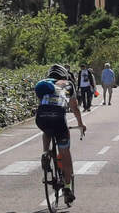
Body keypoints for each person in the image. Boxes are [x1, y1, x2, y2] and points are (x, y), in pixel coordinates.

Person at [34, 64, 86, 205]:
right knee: (65, 154)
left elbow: (43, 103)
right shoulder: (68, 84)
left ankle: (46, 153)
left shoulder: (44, 84)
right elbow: (74, 107)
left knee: (47, 130)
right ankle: (67, 188)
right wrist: (80, 124)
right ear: (64, 75)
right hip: (58, 118)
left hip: (41, 117)